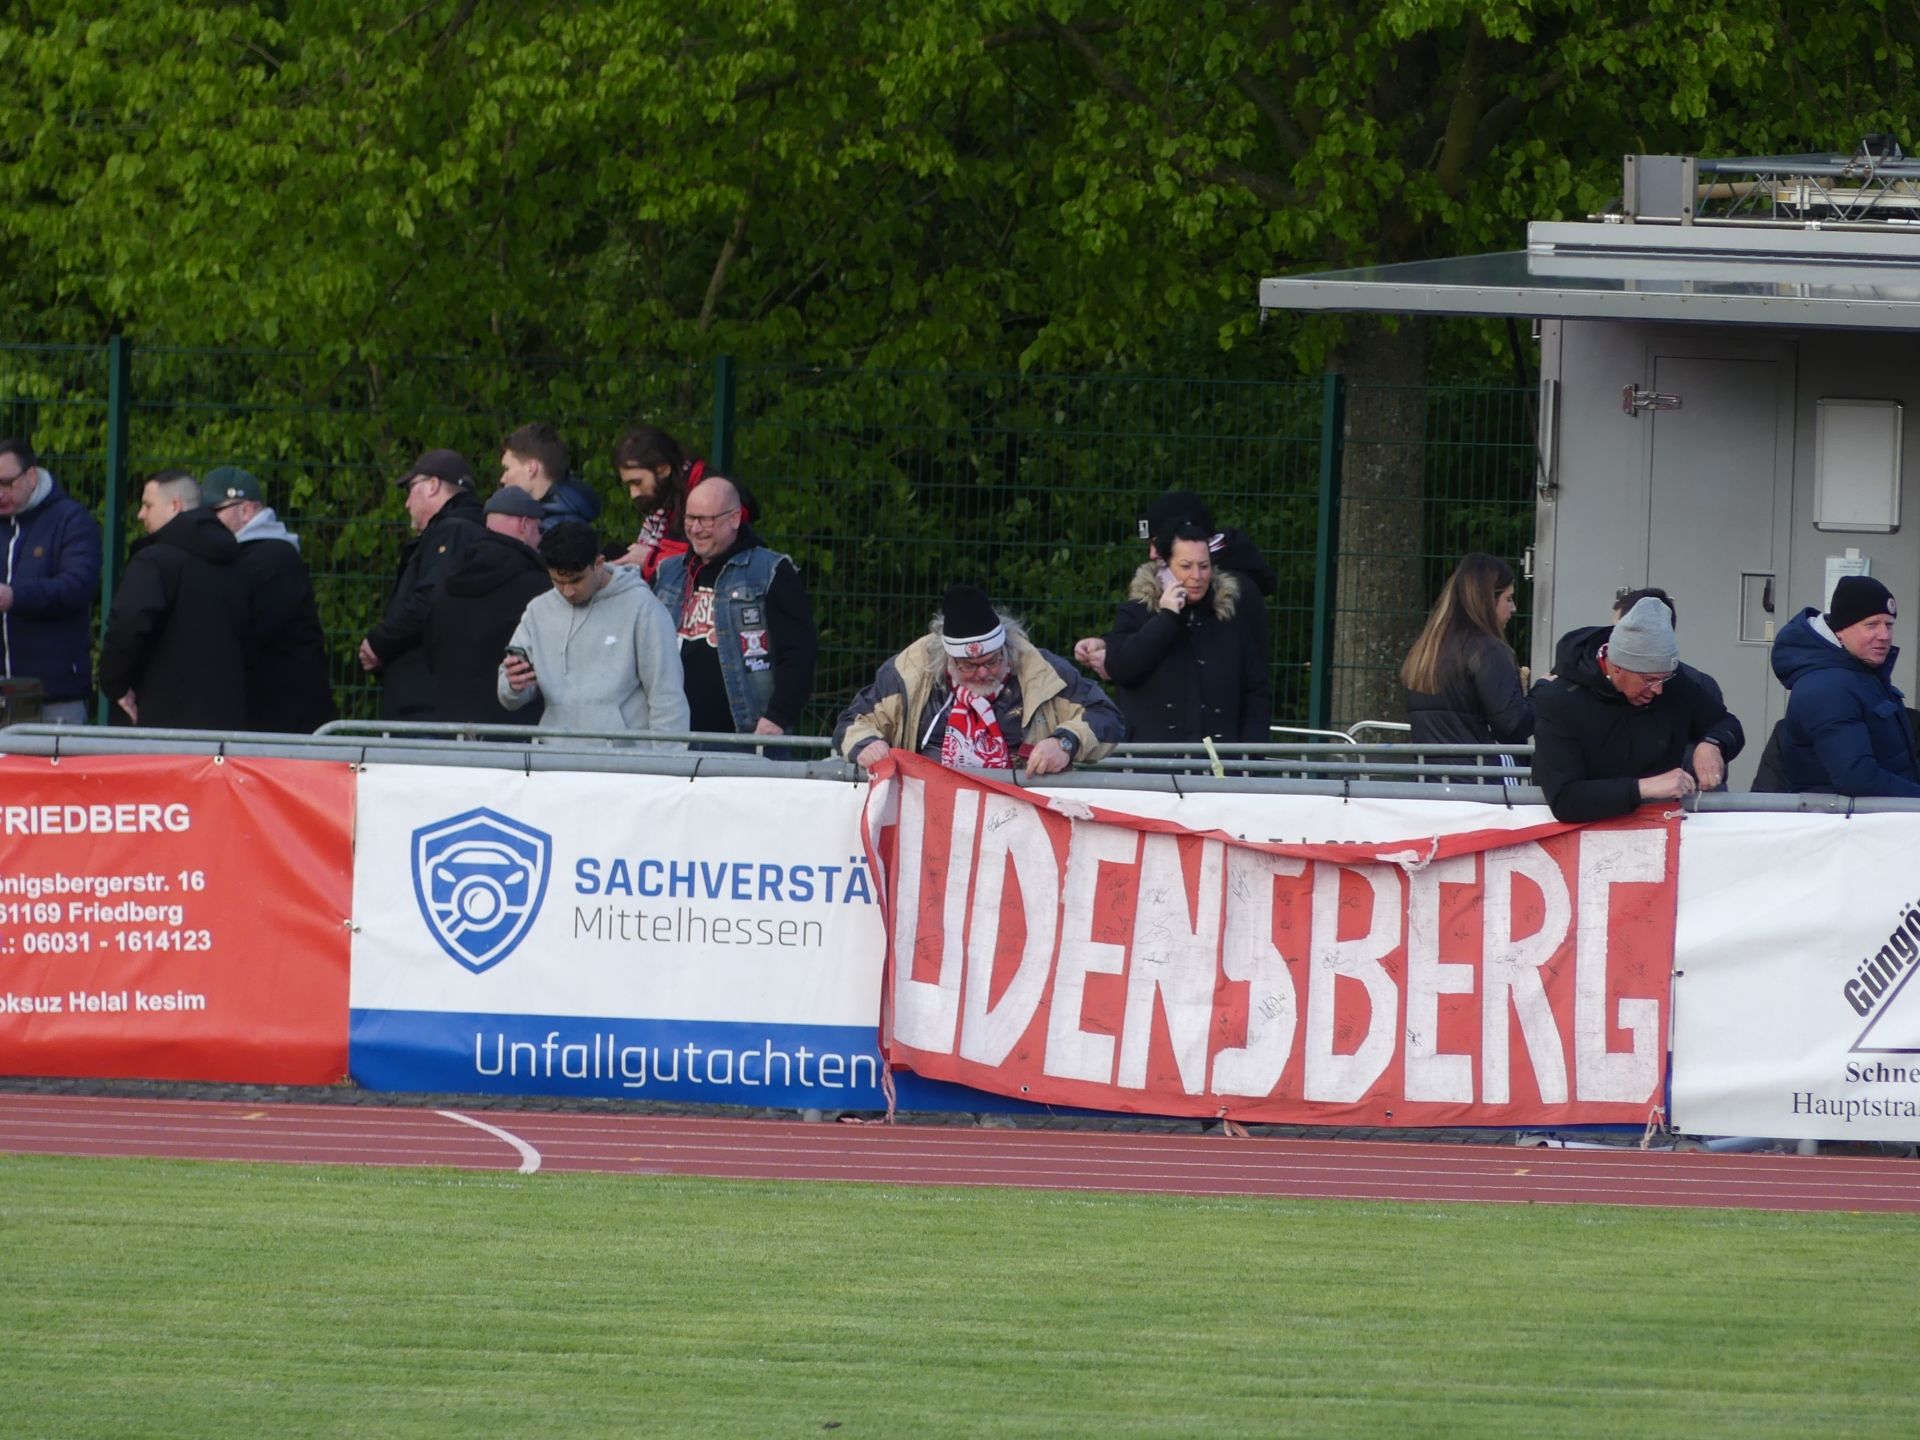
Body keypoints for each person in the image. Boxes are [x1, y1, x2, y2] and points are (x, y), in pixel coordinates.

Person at [834, 583, 1124, 774]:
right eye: (968, 667)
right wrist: (866, 745)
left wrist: (1065, 743)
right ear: (946, 660)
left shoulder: (1043, 670)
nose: (983, 673)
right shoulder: (908, 673)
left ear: (1006, 649)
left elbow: (1107, 717)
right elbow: (851, 724)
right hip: (928, 815)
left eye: (992, 661)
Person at [1531, 596, 1743, 823]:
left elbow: (1726, 723)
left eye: (1665, 678)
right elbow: (1565, 799)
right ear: (1618, 667)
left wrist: (1712, 744)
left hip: (1657, 827)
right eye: (1649, 679)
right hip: (1581, 835)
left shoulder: (1677, 684)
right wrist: (1643, 788)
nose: (1659, 689)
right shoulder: (1561, 700)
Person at [651, 474, 817, 740]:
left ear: (735, 519)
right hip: (671, 737)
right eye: (690, 518)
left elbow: (799, 651)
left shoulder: (771, 572)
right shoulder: (667, 572)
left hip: (749, 737)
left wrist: (778, 716)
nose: (695, 529)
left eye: (706, 520)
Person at [497, 520, 689, 746]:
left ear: (599, 563)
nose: (567, 591)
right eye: (557, 582)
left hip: (624, 763)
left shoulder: (642, 607)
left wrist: (668, 766)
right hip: (554, 759)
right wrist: (513, 686)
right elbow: (510, 693)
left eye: (576, 580)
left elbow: (666, 694)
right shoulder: (538, 611)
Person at [98, 470, 250, 729]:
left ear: (175, 506)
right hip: (227, 719)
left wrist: (115, 684)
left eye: (148, 505)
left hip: (161, 720)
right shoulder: (235, 562)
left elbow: (127, 625)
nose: (141, 514)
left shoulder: (154, 560)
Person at [1073, 489, 1275, 680]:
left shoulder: (1230, 588)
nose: (1152, 554)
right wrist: (1111, 646)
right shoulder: (1177, 579)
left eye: (1157, 542)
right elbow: (1145, 626)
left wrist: (1116, 659)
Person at [1097, 521, 1270, 743]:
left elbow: (1255, 692)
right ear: (1164, 568)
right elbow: (1121, 668)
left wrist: (1249, 760)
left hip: (1219, 765)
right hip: (1151, 766)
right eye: (1186, 566)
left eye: (1204, 566)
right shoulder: (1138, 611)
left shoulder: (1228, 616)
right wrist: (1166, 618)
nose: (1197, 576)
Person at [202, 467, 334, 734]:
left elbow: (241, 631)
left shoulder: (270, 558)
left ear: (247, 510)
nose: (207, 521)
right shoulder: (256, 555)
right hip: (275, 715)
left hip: (285, 721)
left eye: (214, 511)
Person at [360, 449, 487, 720]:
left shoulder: (453, 531)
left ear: (433, 486)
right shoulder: (466, 529)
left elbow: (430, 600)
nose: (407, 503)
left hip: (425, 701)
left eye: (410, 489)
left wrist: (379, 642)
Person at [1768, 576, 1920, 797]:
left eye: (1889, 625)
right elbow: (1858, 779)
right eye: (1871, 625)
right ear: (1840, 630)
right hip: (1848, 825)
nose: (1885, 635)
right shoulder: (1828, 688)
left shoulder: (1860, 674)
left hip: (1875, 820)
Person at [424, 486, 554, 725]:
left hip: (451, 724)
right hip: (514, 730)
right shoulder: (539, 588)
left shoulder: (448, 580)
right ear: (524, 525)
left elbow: (431, 648)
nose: (540, 539)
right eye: (539, 529)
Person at [0, 437, 102, 724]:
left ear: (31, 476)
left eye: (6, 483)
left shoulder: (71, 520)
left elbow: (77, 585)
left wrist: (14, 597)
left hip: (54, 696)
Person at [1401, 552, 1531, 755]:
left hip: (1432, 778)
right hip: (1481, 778)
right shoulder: (1489, 650)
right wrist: (1540, 695)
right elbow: (1511, 727)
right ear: (1487, 600)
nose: (1513, 608)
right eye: (1508, 598)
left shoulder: (1426, 650)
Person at [610, 425, 699, 584]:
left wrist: (650, 559)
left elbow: (704, 560)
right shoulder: (672, 498)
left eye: (637, 482)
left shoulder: (704, 500)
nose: (634, 494)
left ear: (663, 469)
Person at [499, 423, 602, 533]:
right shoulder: (565, 518)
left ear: (531, 468)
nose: (503, 479)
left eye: (507, 469)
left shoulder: (554, 533)